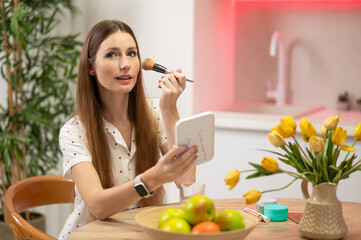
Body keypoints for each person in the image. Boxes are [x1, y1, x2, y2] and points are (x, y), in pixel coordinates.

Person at [58, 19, 197, 239]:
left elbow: (186, 178)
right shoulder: (74, 131)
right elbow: (98, 206)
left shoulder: (155, 113)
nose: (125, 64)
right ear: (91, 67)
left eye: (131, 53)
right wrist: (152, 178)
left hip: (139, 234)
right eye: (112, 55)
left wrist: (170, 108)